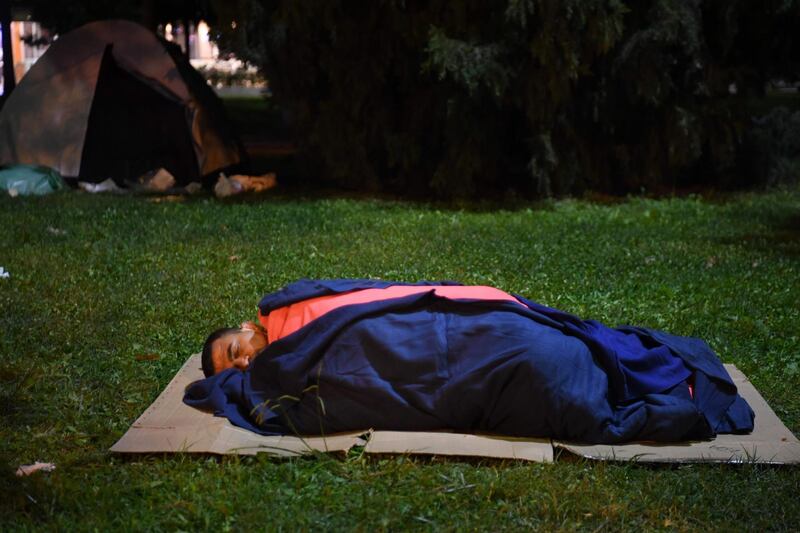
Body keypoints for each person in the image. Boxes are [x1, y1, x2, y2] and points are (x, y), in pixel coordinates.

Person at [186, 278, 755, 444]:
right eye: (233, 371)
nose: (244, 368)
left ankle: (641, 377)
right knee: (542, 379)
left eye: (237, 353)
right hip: (447, 371)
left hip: (446, 330)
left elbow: (372, 296)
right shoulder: (278, 375)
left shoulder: (288, 310)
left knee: (544, 347)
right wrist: (240, 384)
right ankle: (655, 394)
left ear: (245, 328)